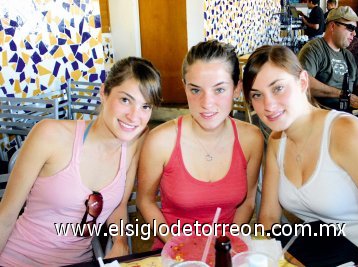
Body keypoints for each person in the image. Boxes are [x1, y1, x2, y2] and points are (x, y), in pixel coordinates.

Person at [242, 45, 358, 265]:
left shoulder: (345, 133)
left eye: (278, 88)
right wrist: (267, 257)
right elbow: (268, 218)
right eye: (257, 95)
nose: (268, 105)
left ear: (303, 82)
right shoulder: (278, 142)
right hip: (324, 256)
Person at [0, 57, 162, 266]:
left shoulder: (134, 141)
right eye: (125, 100)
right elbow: (6, 215)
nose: (134, 116)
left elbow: (119, 205)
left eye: (145, 106)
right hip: (20, 259)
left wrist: (120, 240)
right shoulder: (50, 134)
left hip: (80, 261)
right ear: (104, 93)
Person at [137, 40, 264, 248]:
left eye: (219, 90)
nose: (206, 103)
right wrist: (175, 244)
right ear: (184, 87)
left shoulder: (251, 138)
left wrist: (226, 244)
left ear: (237, 89)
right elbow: (145, 201)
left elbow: (248, 201)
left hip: (225, 250)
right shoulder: (160, 140)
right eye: (196, 90)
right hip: (174, 252)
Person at [298, 6, 358, 110]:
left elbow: (357, 85)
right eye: (350, 28)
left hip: (348, 113)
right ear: (333, 26)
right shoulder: (314, 49)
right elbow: (304, 82)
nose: (354, 33)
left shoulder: (348, 55)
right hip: (322, 115)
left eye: (355, 29)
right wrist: (343, 94)